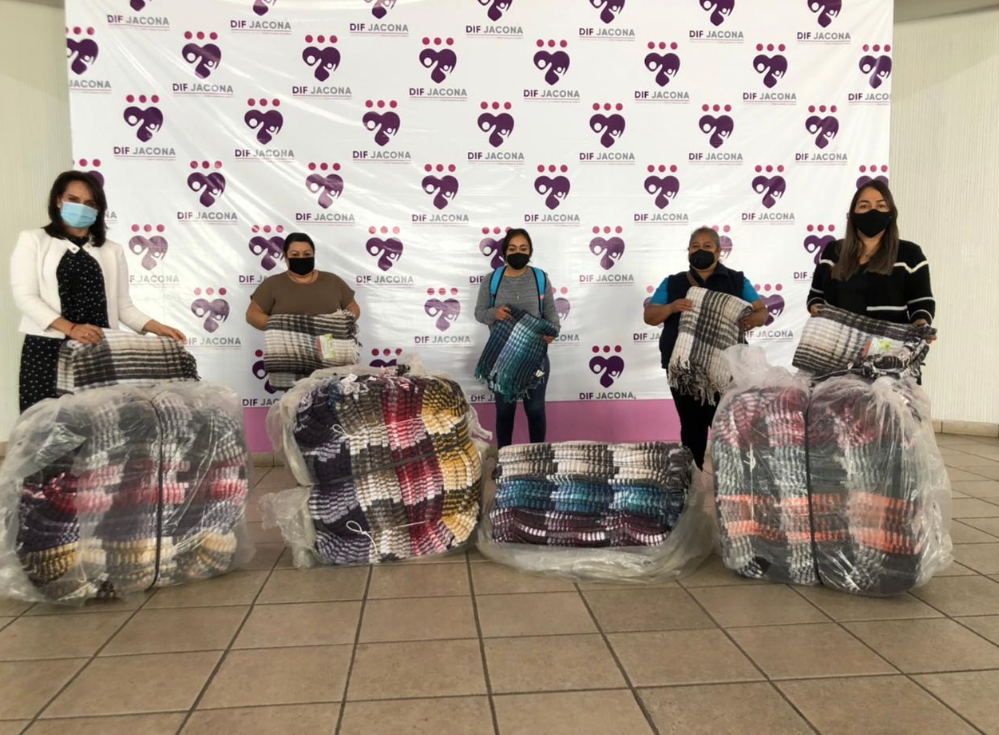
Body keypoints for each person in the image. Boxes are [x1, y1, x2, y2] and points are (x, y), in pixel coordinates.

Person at [11, 171, 186, 413]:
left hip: (99, 351)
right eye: (73, 200)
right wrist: (72, 329)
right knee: (45, 424)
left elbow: (123, 306)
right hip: (48, 350)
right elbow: (26, 297)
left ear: (98, 209)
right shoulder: (34, 240)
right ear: (58, 200)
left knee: (102, 424)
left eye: (89, 203)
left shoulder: (112, 250)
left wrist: (158, 327)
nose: (81, 208)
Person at [643, 226, 769, 469]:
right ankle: (694, 477)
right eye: (695, 247)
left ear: (719, 252)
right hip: (684, 368)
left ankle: (731, 478)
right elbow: (650, 316)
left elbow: (762, 312)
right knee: (691, 427)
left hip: (726, 367)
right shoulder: (673, 282)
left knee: (726, 425)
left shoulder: (737, 280)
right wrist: (671, 307)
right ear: (688, 251)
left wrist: (752, 319)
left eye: (707, 246)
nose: (700, 250)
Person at [807, 180, 936, 337]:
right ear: (853, 214)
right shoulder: (833, 251)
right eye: (864, 206)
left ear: (891, 213)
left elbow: (921, 303)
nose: (872, 212)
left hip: (888, 347)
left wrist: (922, 326)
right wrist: (815, 307)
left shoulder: (910, 254)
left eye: (881, 206)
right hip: (836, 346)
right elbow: (816, 295)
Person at [474, 228, 560, 449]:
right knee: (505, 411)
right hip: (502, 359)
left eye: (523, 248)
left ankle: (537, 457)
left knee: (535, 410)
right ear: (504, 252)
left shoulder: (540, 278)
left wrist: (553, 331)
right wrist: (494, 313)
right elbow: (479, 313)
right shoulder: (492, 280)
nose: (518, 252)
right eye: (512, 249)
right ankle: (504, 458)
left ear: (530, 251)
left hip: (535, 357)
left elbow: (551, 315)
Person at [245, 232, 361, 330]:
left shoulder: (333, 281)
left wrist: (340, 323)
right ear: (286, 257)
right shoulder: (272, 284)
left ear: (314, 255)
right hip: (287, 348)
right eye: (295, 254)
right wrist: (282, 326)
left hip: (330, 348)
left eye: (307, 254)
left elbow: (353, 307)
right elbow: (252, 314)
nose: (301, 258)